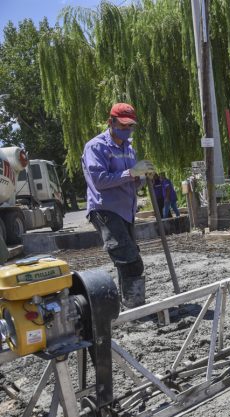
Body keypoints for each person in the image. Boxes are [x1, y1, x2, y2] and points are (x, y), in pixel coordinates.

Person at [81, 103, 154, 308]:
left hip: (126, 210)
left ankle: (131, 305)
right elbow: (100, 180)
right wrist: (131, 173)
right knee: (130, 260)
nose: (127, 129)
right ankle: (134, 307)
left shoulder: (129, 149)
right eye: (123, 125)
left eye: (130, 125)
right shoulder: (96, 147)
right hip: (105, 209)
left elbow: (133, 181)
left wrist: (142, 176)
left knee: (128, 261)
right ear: (111, 122)